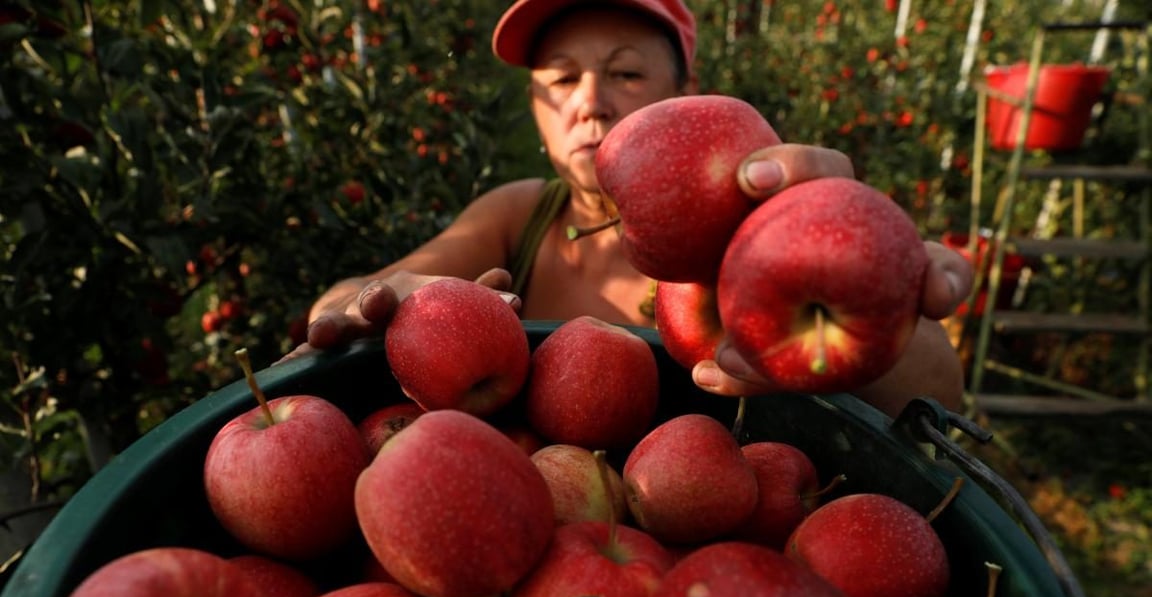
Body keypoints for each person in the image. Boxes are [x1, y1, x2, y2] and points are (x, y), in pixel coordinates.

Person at [296, 0, 974, 418]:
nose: (588, 100)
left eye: (625, 73)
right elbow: (346, 298)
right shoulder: (518, 216)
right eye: (560, 79)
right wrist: (394, 306)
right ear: (535, 108)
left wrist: (861, 277)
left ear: (687, 97)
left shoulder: (742, 250)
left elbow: (934, 405)